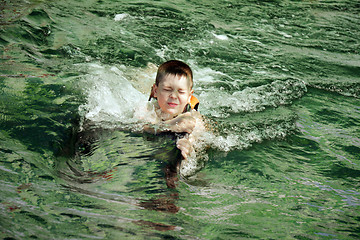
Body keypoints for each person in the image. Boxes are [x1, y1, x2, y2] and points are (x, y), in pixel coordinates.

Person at [143, 60, 206, 172]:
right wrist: (171, 125)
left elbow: (199, 138)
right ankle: (149, 68)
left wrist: (189, 146)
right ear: (156, 91)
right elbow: (142, 127)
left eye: (181, 92)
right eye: (167, 90)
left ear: (189, 96)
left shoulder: (193, 117)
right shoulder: (148, 109)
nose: (174, 96)